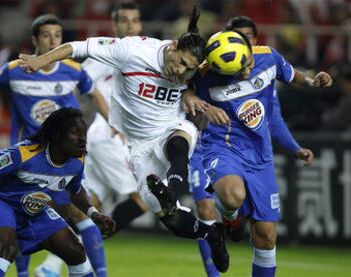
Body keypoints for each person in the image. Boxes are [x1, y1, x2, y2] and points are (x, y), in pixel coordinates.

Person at [18, 5, 230, 273]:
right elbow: (77, 47)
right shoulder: (132, 50)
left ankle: (171, 192)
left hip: (172, 127)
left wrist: (193, 96)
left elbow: (201, 85)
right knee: (174, 222)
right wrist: (41, 61)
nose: (181, 72)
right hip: (138, 145)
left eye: (189, 69)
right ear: (173, 46)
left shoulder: (189, 71)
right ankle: (211, 234)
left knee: (178, 143)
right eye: (181, 63)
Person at [0, 14, 111, 277]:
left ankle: (99, 274)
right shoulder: (15, 70)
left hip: (63, 159)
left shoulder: (74, 70)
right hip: (28, 160)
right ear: (34, 40)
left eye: (57, 36)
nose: (52, 41)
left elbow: (95, 94)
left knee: (79, 215)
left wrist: (112, 123)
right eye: (46, 35)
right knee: (23, 216)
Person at [185, 30, 332, 277]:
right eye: (236, 71)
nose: (244, 72)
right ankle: (230, 217)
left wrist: (311, 82)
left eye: (246, 64)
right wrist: (203, 106)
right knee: (233, 195)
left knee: (266, 235)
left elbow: (292, 75)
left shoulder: (268, 56)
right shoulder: (204, 74)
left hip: (260, 155)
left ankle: (233, 219)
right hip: (222, 146)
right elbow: (183, 92)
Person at [0, 108, 115, 277]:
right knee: (7, 248)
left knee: (75, 250)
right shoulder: (25, 154)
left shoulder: (77, 160)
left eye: (84, 132)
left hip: (33, 209)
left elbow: (75, 191)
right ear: (58, 135)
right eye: (76, 132)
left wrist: (94, 214)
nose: (83, 138)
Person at [80, 0, 148, 235]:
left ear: (140, 25)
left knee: (91, 204)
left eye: (134, 20)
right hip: (109, 136)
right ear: (114, 24)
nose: (130, 26)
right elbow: (83, 82)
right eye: (124, 20)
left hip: (117, 138)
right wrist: (112, 119)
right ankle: (97, 245)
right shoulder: (107, 51)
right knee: (145, 199)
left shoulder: (147, 53)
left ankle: (51, 266)